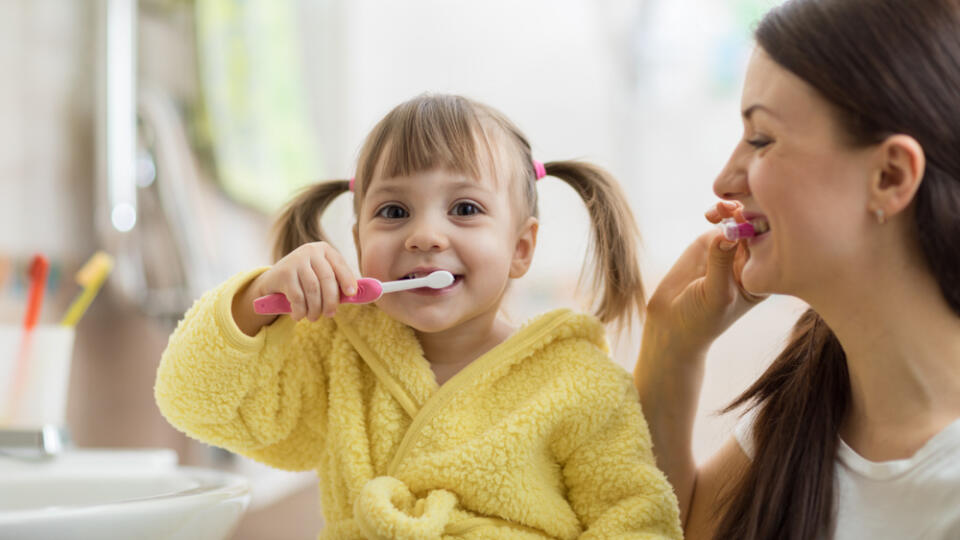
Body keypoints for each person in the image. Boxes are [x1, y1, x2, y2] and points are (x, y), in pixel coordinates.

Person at [155, 94, 682, 539]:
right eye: (393, 212)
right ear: (360, 242)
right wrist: (253, 301)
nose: (425, 235)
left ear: (521, 248)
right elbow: (198, 405)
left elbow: (636, 520)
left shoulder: (581, 383)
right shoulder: (338, 352)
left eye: (465, 209)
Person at [634, 0, 960, 538]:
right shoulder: (808, 406)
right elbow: (669, 527)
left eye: (761, 139)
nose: (725, 181)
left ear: (890, 175)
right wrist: (671, 341)